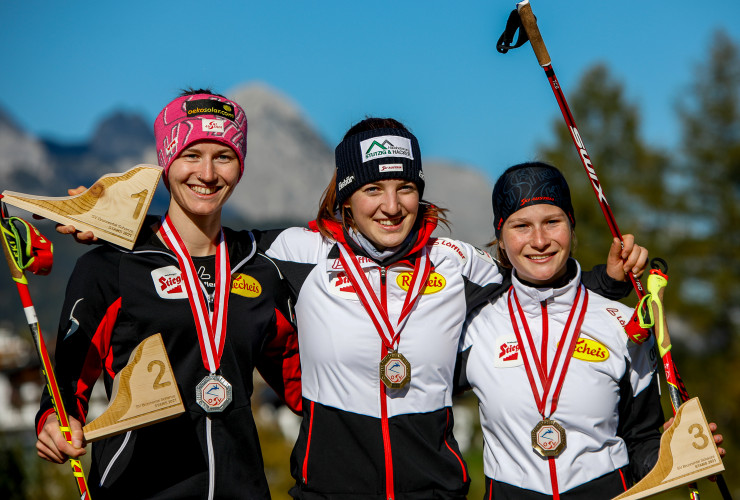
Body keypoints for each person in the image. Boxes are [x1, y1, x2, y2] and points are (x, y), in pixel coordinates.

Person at [260, 119, 647, 499]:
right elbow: (232, 299)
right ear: (345, 196)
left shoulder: (458, 264)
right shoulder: (297, 253)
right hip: (329, 491)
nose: (391, 206)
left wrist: (605, 283)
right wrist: (300, 394)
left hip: (436, 491)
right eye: (373, 188)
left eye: (405, 188)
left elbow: (535, 281)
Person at [35, 90, 300, 499]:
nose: (207, 174)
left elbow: (306, 389)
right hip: (138, 488)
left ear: (241, 166)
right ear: (167, 160)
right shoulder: (111, 266)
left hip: (241, 487)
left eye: (223, 156)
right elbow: (67, 385)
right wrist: (55, 421)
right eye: (191, 154)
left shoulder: (262, 266)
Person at [456, 162, 724, 499]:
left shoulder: (623, 324)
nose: (539, 240)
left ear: (571, 226)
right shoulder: (475, 323)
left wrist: (677, 457)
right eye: (521, 226)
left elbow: (641, 439)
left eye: (552, 222)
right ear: (501, 238)